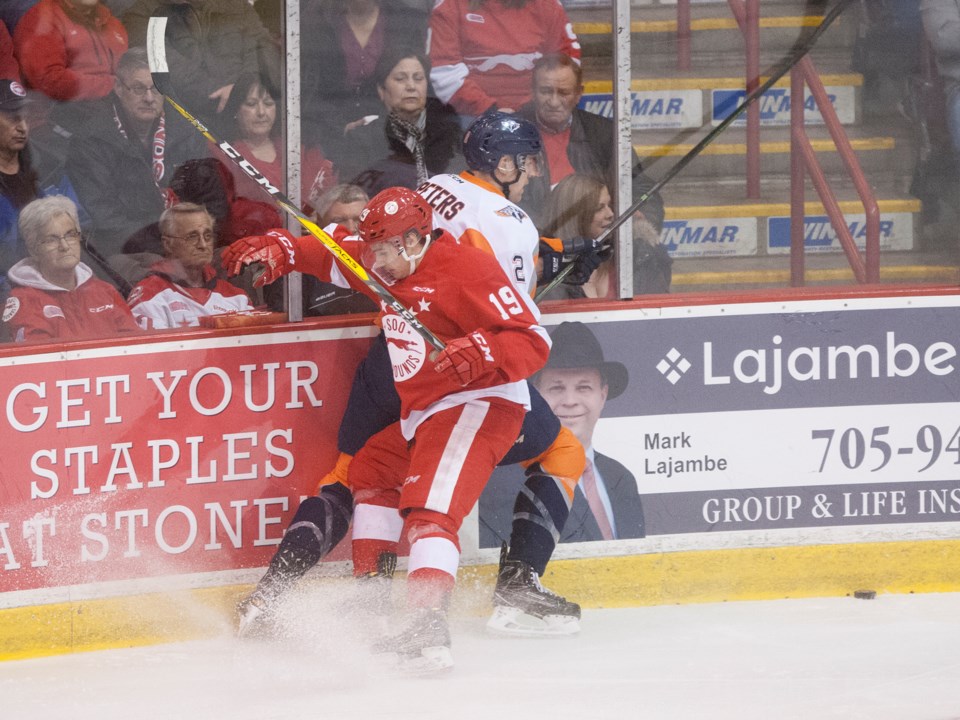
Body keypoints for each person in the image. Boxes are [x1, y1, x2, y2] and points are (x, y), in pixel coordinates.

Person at [226, 111, 593, 642]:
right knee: (382, 472)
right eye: (527, 162)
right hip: (425, 374)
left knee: (400, 494)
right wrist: (288, 248)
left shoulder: (439, 188)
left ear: (417, 238)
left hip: (461, 384)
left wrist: (483, 348)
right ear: (506, 163)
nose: (533, 172)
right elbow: (349, 253)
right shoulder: (499, 226)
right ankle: (462, 593)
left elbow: (523, 330)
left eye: (387, 249)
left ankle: (420, 623)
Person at [480, 321, 645, 543]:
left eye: (583, 387)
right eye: (556, 388)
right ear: (535, 397)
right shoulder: (505, 482)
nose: (569, 402)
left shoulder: (622, 478)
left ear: (603, 395)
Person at [65, 47, 206, 287]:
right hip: (127, 249)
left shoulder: (187, 132)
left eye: (156, 88)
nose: (149, 98)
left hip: (190, 242)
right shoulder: (91, 139)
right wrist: (167, 246)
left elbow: (209, 198)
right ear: (119, 88)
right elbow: (105, 217)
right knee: (162, 278)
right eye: (139, 88)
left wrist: (194, 241)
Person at [517, 53, 664, 233]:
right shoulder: (510, 135)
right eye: (546, 91)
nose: (554, 102)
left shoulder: (604, 133)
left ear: (579, 94)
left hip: (596, 244)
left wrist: (643, 218)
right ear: (532, 92)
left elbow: (639, 186)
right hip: (538, 244)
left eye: (564, 92)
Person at [122, 0, 280, 127]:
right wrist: (236, 98)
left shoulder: (237, 7)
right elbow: (169, 69)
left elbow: (264, 48)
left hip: (252, 116)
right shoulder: (141, 15)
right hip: (188, 123)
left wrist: (246, 88)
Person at [2, 195, 138, 341]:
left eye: (70, 235)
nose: (65, 246)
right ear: (33, 250)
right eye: (51, 239)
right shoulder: (25, 301)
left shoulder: (105, 291)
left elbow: (135, 347)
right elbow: (41, 360)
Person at [331, 46, 464, 195]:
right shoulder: (361, 139)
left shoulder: (449, 132)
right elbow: (354, 196)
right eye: (400, 79)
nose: (411, 86)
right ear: (381, 90)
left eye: (418, 78)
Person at [0, 79, 85, 298]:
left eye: (26, 118)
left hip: (62, 280)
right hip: (10, 292)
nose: (22, 127)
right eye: (12, 118)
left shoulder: (49, 164)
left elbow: (81, 225)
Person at [300, 0, 428, 143]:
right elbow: (308, 89)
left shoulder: (406, 20)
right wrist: (340, 127)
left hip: (389, 131)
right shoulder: (315, 21)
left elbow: (417, 81)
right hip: (326, 131)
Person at [428, 0, 580, 120]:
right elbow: (445, 75)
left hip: (538, 113)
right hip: (471, 116)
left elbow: (567, 64)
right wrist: (490, 110)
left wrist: (535, 109)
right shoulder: (450, 5)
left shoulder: (546, 5)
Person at [539, 174, 671, 300]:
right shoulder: (545, 269)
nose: (611, 214)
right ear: (574, 217)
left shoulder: (636, 258)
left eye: (609, 205)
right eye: (599, 208)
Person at [221, 72, 336, 217]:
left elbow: (328, 200)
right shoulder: (223, 154)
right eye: (251, 104)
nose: (261, 112)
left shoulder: (302, 148)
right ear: (236, 110)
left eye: (268, 104)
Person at [126, 202, 252, 329]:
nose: (203, 245)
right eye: (192, 237)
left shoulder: (237, 296)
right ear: (168, 244)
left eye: (207, 236)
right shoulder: (150, 295)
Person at [13, 0, 128, 135]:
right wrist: (113, 85)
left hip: (112, 119)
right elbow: (50, 80)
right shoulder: (42, 17)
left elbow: (128, 74)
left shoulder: (113, 25)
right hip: (56, 127)